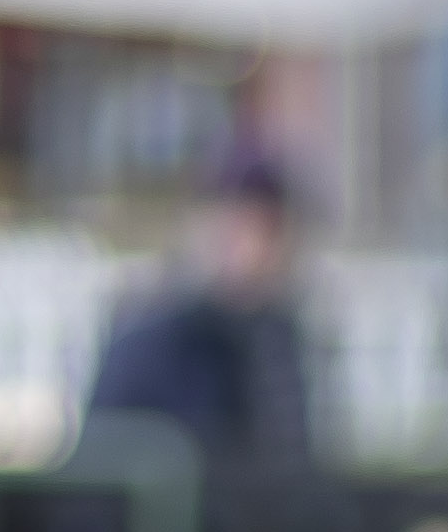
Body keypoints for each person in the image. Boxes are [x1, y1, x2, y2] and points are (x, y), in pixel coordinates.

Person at [86, 142, 314, 469]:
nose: (254, 250)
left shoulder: (279, 338)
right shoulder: (150, 339)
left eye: (268, 231)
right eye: (240, 228)